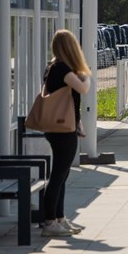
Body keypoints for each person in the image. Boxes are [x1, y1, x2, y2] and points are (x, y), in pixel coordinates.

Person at [40, 29, 91, 237]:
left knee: (62, 174)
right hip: (61, 129)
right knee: (58, 175)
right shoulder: (62, 68)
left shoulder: (54, 67)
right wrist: (86, 76)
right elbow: (83, 89)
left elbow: (71, 100)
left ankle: (59, 218)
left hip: (62, 126)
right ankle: (50, 221)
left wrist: (78, 122)